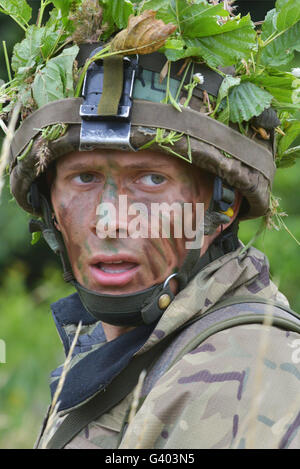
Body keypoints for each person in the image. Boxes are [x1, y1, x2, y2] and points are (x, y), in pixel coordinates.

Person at [6, 6, 300, 450]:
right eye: (83, 178)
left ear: (222, 206)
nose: (110, 220)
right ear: (50, 208)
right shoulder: (135, 354)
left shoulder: (243, 380)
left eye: (151, 179)